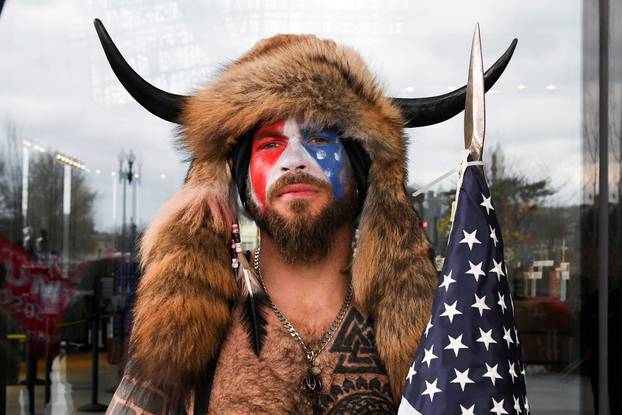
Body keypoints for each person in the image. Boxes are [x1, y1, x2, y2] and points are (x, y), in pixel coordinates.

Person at [94, 20, 514, 414]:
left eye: (317, 138)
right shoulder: (191, 330)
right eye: (271, 145)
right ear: (240, 181)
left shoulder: (436, 332)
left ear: (361, 171)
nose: (295, 161)